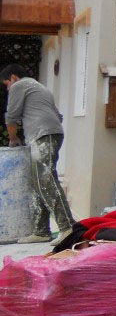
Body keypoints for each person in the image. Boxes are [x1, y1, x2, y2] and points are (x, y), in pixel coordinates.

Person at [1, 64, 76, 243]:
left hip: (43, 135)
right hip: (50, 134)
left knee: (45, 180)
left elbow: (11, 116)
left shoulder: (19, 86)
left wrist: (13, 138)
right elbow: (58, 116)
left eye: (6, 84)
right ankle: (41, 231)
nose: (8, 88)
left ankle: (68, 227)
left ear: (13, 77)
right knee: (37, 183)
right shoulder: (39, 87)